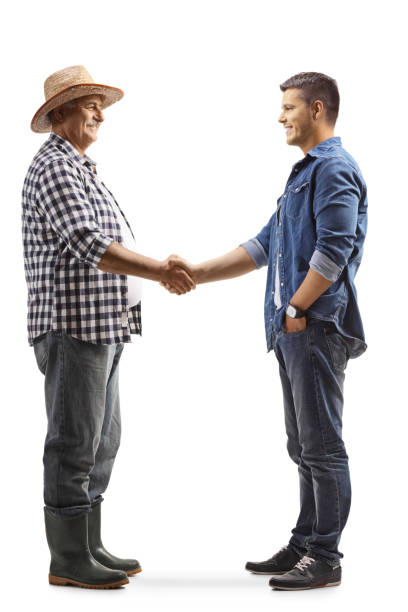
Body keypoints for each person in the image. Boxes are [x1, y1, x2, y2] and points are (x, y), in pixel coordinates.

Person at [162, 72, 367, 591]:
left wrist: (296, 307)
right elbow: (262, 246)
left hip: (316, 326)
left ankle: (326, 556)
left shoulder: (334, 169)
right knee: (303, 445)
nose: (281, 116)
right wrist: (197, 272)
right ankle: (305, 541)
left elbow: (335, 248)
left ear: (317, 109)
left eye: (289, 107)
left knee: (323, 447)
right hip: (294, 330)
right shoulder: (302, 176)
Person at [22, 65, 195, 589]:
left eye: (101, 104)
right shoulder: (55, 167)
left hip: (104, 325)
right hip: (72, 326)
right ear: (59, 113)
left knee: (104, 439)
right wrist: (160, 271)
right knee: (75, 440)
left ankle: (89, 543)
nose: (100, 112)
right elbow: (88, 242)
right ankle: (68, 558)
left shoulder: (82, 167)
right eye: (89, 103)